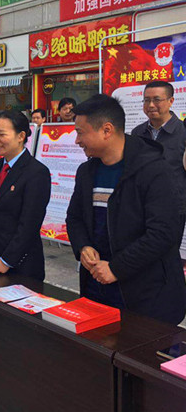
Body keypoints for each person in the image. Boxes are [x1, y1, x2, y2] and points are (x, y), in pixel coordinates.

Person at [66, 95, 186, 324]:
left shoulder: (153, 169)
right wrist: (83, 246)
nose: (77, 141)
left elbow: (162, 233)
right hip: (96, 284)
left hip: (145, 295)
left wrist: (116, 268)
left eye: (81, 133)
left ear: (107, 130)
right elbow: (74, 218)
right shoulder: (87, 171)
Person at [0, 111, 51, 280]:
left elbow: (29, 224)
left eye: (2, 134)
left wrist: (6, 260)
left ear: (21, 136)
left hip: (21, 264)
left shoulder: (36, 172)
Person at [131, 81, 186, 221]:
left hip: (174, 207)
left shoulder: (183, 132)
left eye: (156, 100)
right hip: (142, 205)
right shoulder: (137, 132)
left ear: (170, 101)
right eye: (146, 100)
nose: (150, 105)